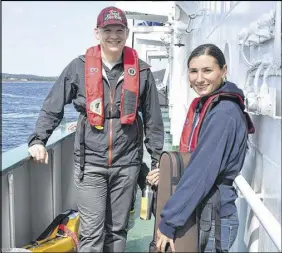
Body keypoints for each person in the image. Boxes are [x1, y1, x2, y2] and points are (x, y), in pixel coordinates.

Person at [27, 6, 164, 252]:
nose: (114, 35)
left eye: (119, 29)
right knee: (91, 233)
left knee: (117, 231)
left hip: (127, 165)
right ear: (96, 33)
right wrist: (38, 140)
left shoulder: (141, 71)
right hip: (90, 165)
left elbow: (154, 119)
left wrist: (157, 161)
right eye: (107, 30)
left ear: (127, 32)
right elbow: (53, 106)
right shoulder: (77, 68)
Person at [146, 44, 255, 252]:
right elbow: (199, 160)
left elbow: (202, 172)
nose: (199, 78)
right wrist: (168, 174)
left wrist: (169, 222)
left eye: (207, 71)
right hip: (202, 212)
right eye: (194, 71)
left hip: (213, 219)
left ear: (223, 71)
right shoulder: (210, 105)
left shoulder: (223, 113)